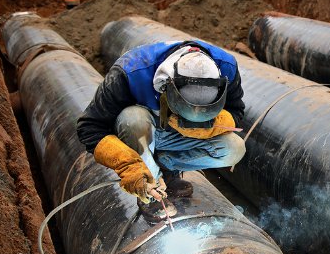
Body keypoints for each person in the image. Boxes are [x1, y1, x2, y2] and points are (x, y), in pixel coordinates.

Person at [76, 41, 246, 223]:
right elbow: (89, 128)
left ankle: (167, 168)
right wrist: (128, 165)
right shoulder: (131, 72)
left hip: (176, 137)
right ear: (165, 86)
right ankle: (151, 189)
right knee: (133, 118)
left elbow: (237, 111)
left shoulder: (227, 67)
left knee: (234, 148)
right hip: (139, 135)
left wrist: (210, 125)